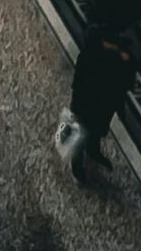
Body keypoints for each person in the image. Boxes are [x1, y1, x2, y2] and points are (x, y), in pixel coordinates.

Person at [58, 23, 136, 180]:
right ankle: (77, 164)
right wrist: (76, 111)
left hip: (104, 104)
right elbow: (79, 88)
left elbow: (123, 83)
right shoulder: (88, 59)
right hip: (89, 106)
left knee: (96, 132)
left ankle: (93, 151)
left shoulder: (115, 56)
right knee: (82, 135)